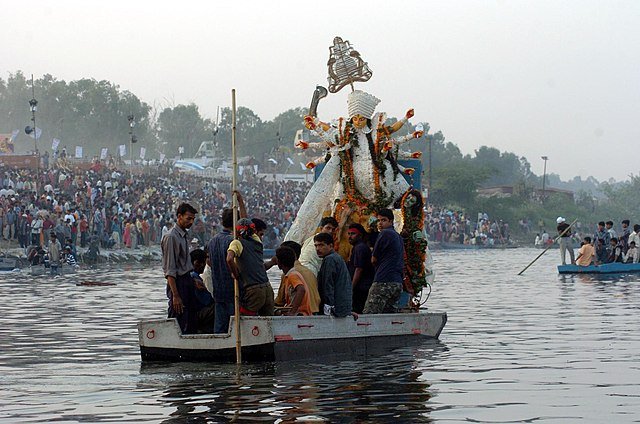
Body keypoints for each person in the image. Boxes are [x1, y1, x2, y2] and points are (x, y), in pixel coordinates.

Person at [161, 202, 198, 334]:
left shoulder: (183, 235)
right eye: (188, 218)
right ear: (179, 216)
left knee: (190, 319)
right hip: (178, 284)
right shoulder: (171, 237)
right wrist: (176, 295)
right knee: (177, 321)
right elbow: (170, 270)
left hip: (187, 281)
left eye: (193, 219)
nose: (191, 222)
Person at [208, 203, 244, 334]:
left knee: (219, 330)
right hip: (232, 291)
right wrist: (236, 274)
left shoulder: (212, 241)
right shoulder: (233, 241)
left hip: (218, 291)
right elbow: (231, 261)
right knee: (234, 330)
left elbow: (210, 262)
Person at [226, 218, 275, 316]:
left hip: (253, 290)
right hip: (267, 288)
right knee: (269, 322)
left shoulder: (237, 243)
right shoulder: (258, 242)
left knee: (246, 321)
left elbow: (229, 259)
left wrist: (235, 274)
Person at [363, 209, 404, 314]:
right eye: (378, 220)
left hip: (383, 281)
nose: (380, 223)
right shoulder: (398, 236)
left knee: (369, 315)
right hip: (397, 283)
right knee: (388, 316)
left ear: (390, 221)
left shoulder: (385, 233)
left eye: (383, 220)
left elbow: (374, 259)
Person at [272, 240, 321, 314]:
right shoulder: (309, 272)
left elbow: (280, 301)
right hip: (314, 311)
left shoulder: (290, 274)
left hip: (301, 313)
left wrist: (291, 312)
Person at [314, 232, 353, 318]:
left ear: (331, 246)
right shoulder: (337, 258)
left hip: (336, 309)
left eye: (321, 245)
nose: (317, 248)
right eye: (316, 246)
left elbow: (328, 285)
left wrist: (329, 306)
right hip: (343, 307)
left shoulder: (330, 259)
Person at [347, 223, 374, 314]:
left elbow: (359, 269)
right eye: (349, 234)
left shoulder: (360, 248)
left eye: (353, 234)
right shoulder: (357, 247)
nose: (350, 236)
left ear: (360, 235)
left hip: (361, 288)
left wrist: (351, 287)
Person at [189, 248, 215, 333]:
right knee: (219, 307)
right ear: (197, 263)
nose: (204, 265)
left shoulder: (190, 276)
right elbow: (207, 300)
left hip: (195, 311)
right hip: (197, 313)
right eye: (203, 262)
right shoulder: (194, 277)